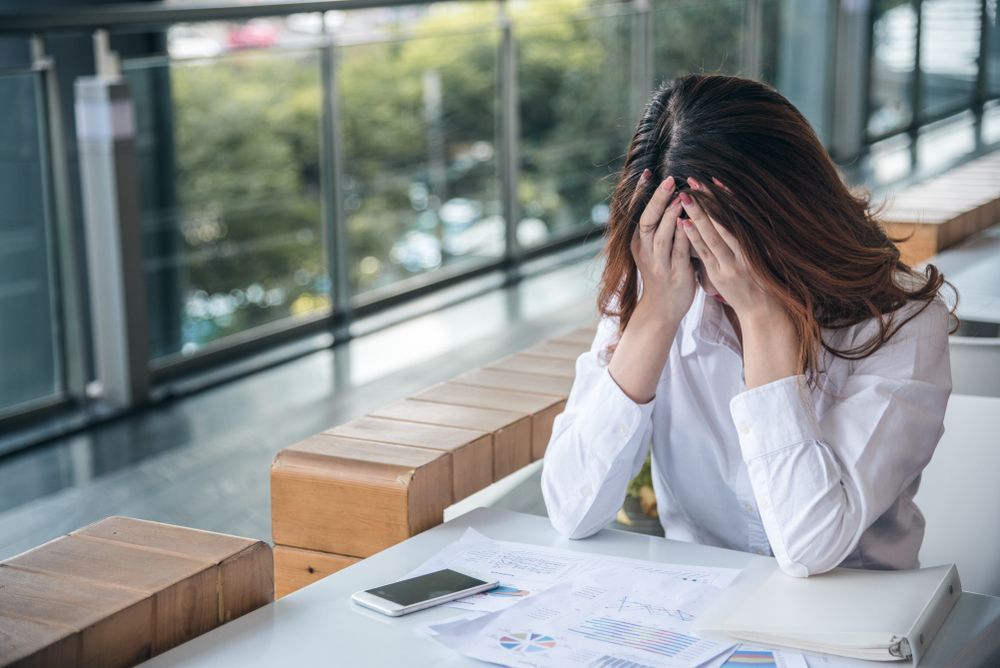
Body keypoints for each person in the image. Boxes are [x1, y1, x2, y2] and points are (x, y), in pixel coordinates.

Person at [540, 74, 956, 577]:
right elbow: (571, 511)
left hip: (850, 623)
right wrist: (653, 318)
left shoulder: (902, 323)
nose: (711, 275)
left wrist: (763, 319)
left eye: (726, 246)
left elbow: (810, 548)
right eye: (690, 251)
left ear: (791, 214)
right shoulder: (663, 285)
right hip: (696, 613)